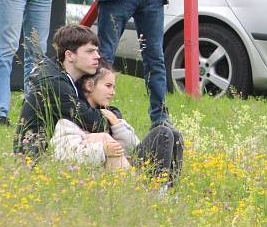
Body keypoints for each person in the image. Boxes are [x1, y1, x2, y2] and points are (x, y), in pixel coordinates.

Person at [51, 62, 183, 187]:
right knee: (162, 133)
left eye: (113, 87)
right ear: (89, 86)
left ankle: (168, 191)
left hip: (127, 169)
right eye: (108, 86)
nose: (113, 92)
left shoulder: (109, 115)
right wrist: (102, 149)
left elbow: (134, 148)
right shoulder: (70, 119)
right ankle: (157, 192)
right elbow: (65, 157)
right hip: (104, 178)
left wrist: (117, 125)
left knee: (174, 134)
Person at [14, 24, 107, 159]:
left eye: (97, 51)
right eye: (90, 51)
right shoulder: (54, 83)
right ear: (69, 55)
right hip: (36, 157)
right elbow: (93, 122)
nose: (97, 56)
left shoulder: (71, 75)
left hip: (58, 150)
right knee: (107, 142)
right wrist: (113, 118)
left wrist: (111, 114)